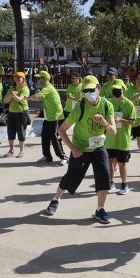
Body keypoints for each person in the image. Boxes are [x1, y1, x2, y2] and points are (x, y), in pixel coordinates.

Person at [45, 75, 116, 223]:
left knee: (104, 176)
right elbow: (61, 130)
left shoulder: (107, 105)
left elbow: (113, 131)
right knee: (71, 177)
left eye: (91, 89)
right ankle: (55, 199)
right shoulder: (81, 106)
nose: (88, 93)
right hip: (81, 147)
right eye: (85, 90)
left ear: (99, 88)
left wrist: (104, 122)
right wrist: (73, 148)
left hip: (98, 147)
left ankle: (100, 209)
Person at [29, 70, 67, 165]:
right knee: (45, 137)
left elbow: (37, 97)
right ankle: (47, 156)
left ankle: (63, 157)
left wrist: (26, 97)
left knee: (54, 138)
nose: (38, 80)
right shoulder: (45, 88)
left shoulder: (48, 88)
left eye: (40, 78)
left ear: (45, 79)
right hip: (48, 117)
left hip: (55, 117)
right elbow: (41, 96)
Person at [107, 80, 135, 195]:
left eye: (118, 90)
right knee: (110, 161)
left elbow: (133, 121)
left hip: (123, 139)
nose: (116, 92)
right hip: (110, 139)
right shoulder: (109, 103)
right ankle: (111, 182)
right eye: (114, 90)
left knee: (122, 163)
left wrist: (121, 120)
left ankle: (124, 184)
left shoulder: (129, 104)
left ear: (123, 90)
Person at [3, 71, 30, 158]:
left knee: (21, 131)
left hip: (21, 113)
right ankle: (11, 150)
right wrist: (11, 95)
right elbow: (5, 100)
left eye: (20, 77)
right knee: (10, 131)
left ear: (23, 79)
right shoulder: (12, 88)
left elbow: (19, 99)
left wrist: (13, 96)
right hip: (11, 113)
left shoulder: (24, 88)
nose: (18, 79)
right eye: (16, 77)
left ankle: (21, 151)